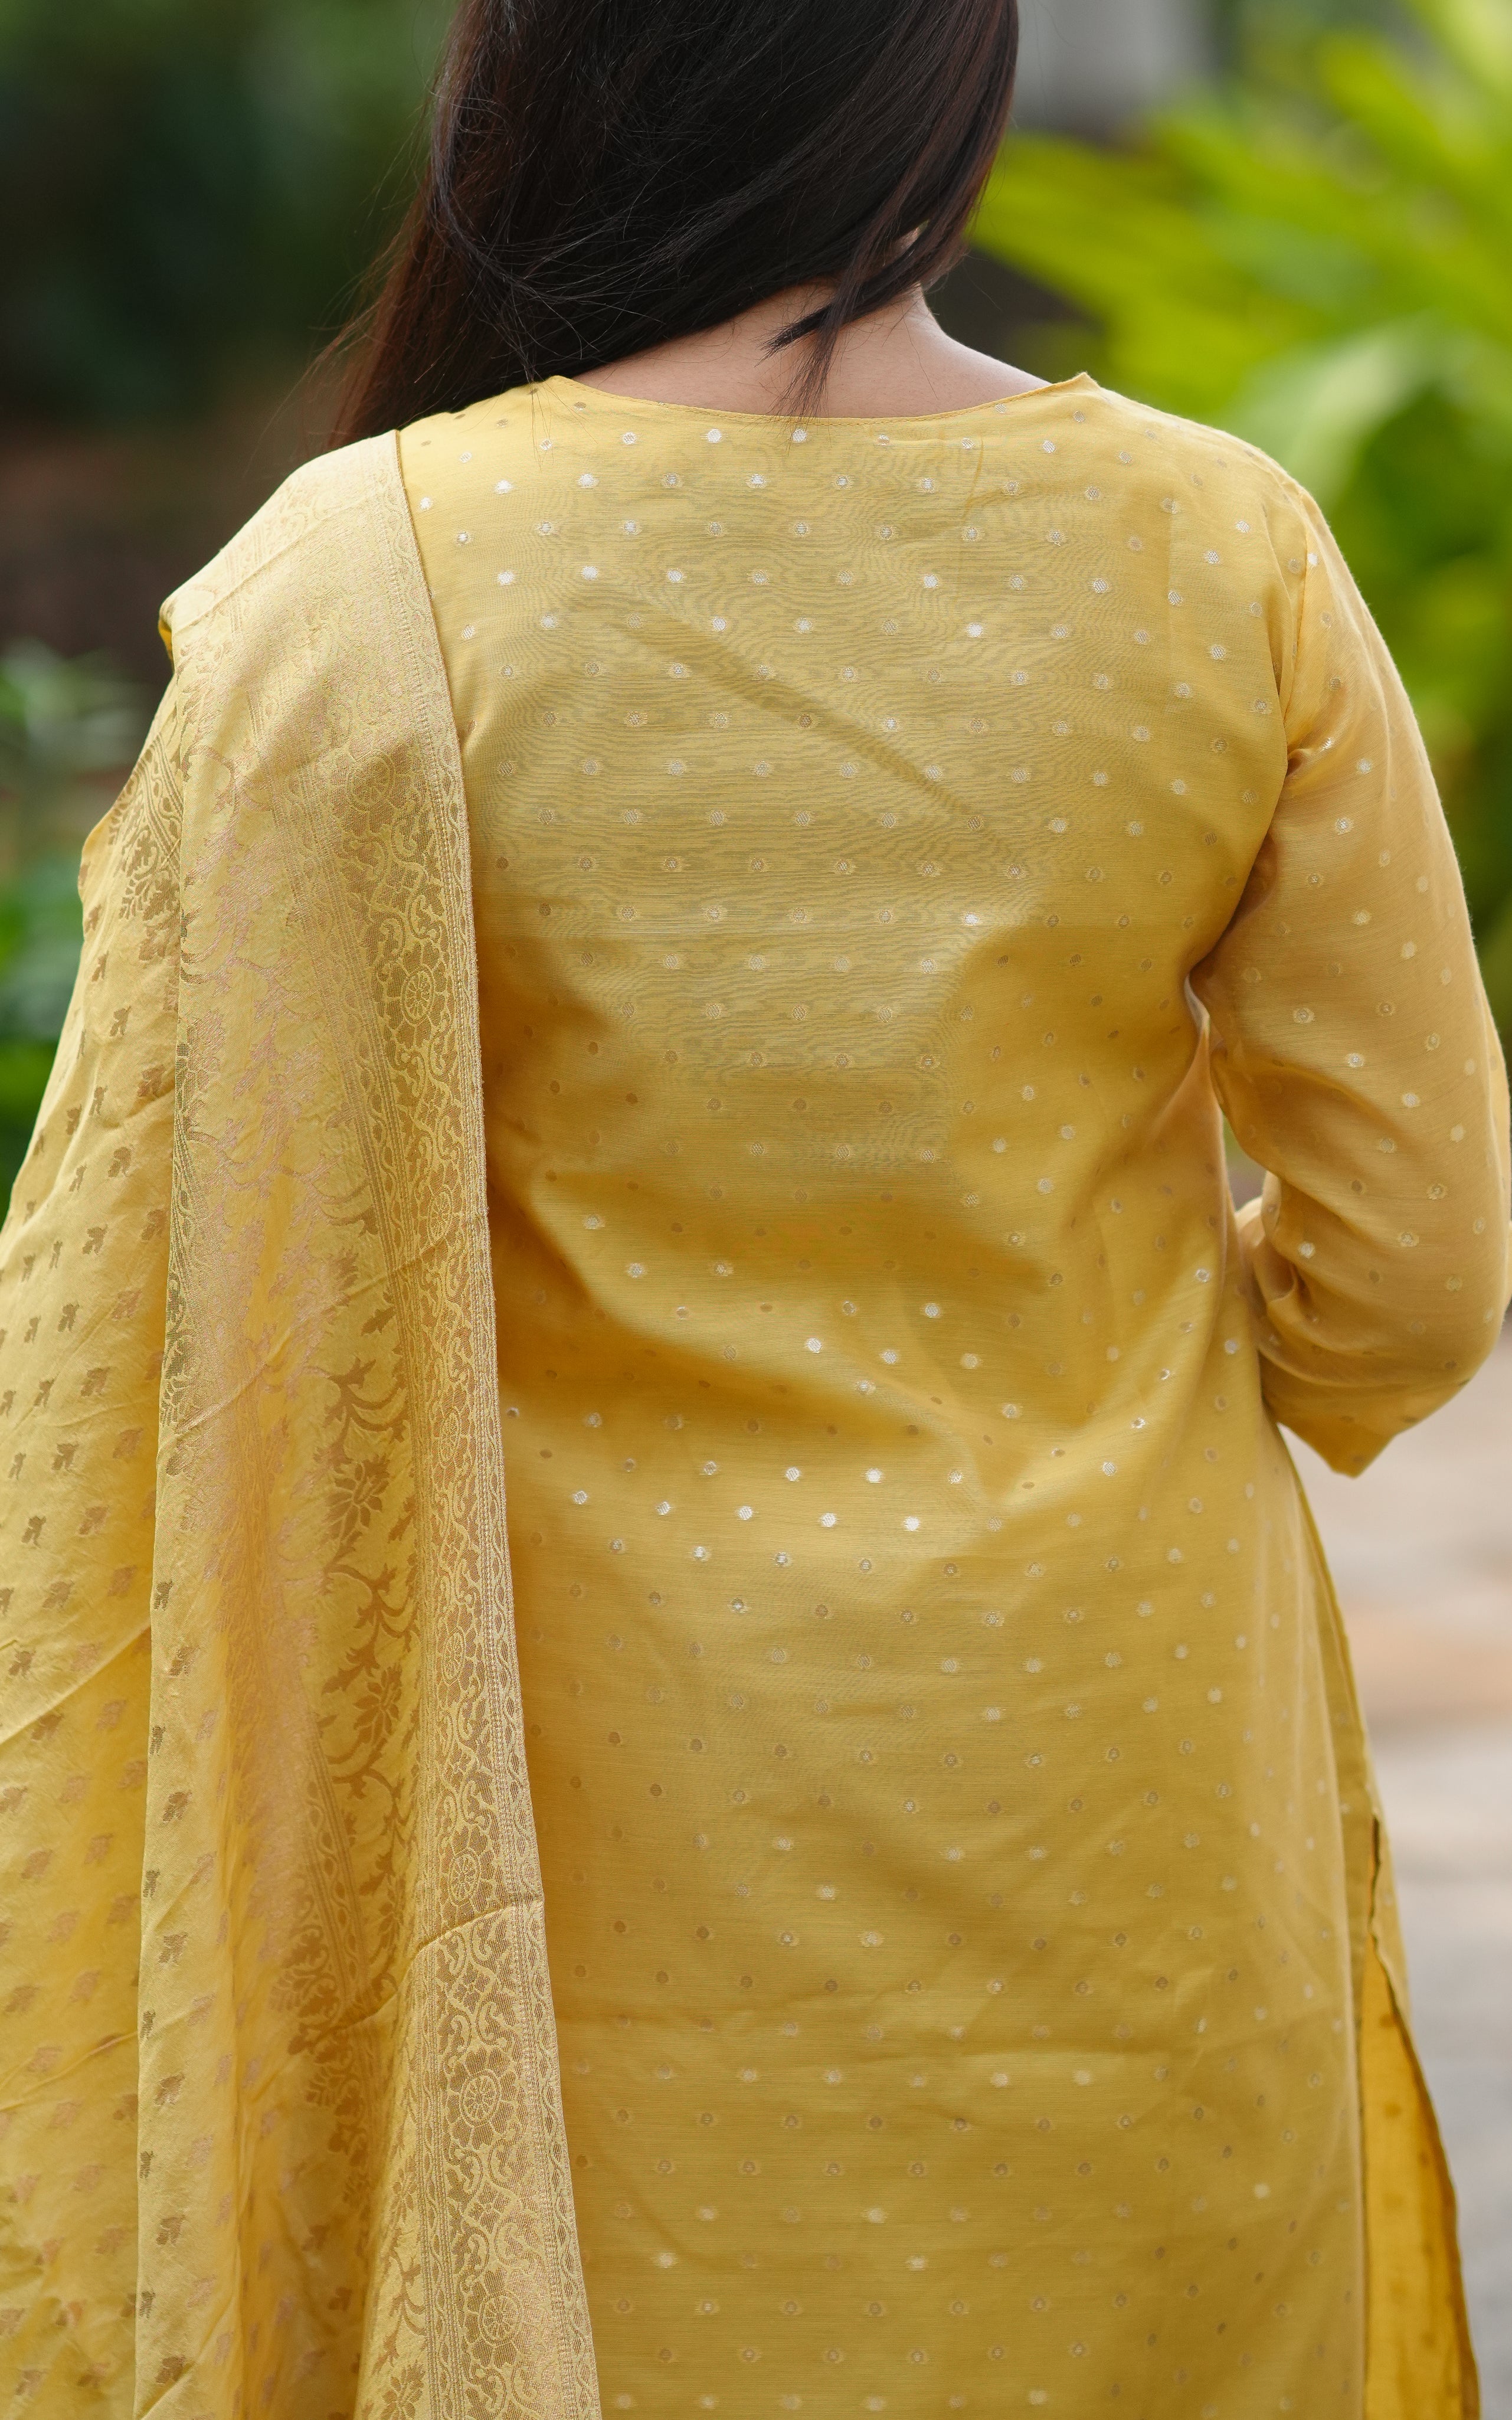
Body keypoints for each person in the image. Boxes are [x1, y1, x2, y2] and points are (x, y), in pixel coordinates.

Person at [1, 0, 1506, 2412]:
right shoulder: (1216, 548)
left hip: (586, 1850)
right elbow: (1413, 1271)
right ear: (946, 88)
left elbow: (180, 1296)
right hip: (1118, 1794)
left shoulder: (358, 584)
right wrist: (1138, 1344)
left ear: (544, 86)